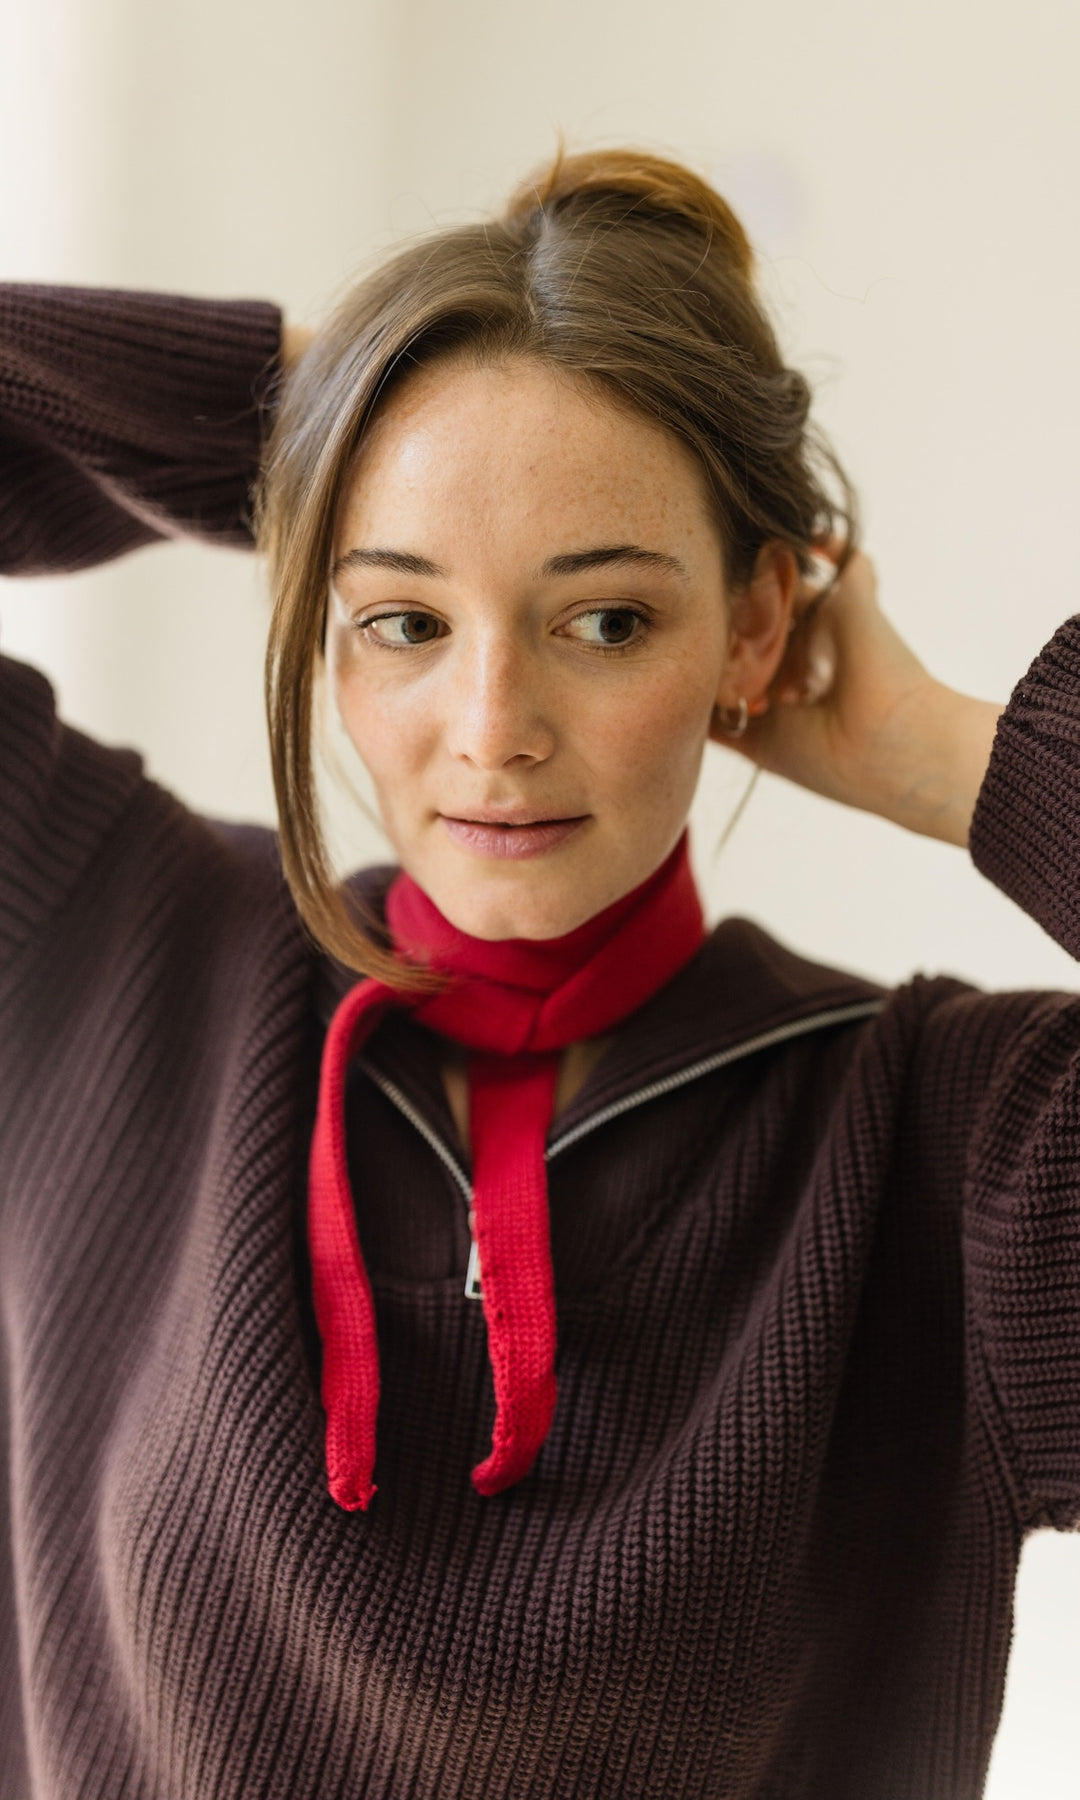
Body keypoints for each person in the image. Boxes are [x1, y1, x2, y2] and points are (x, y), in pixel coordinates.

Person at [0, 147, 1076, 1800]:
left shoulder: (950, 1162)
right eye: (404, 621)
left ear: (758, 632)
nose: (492, 728)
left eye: (610, 623)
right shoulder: (99, 942)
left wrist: (942, 754)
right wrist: (315, 404)